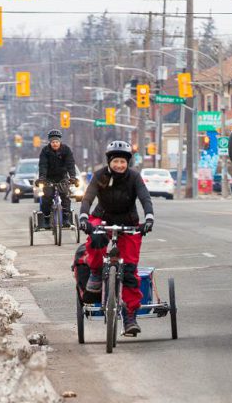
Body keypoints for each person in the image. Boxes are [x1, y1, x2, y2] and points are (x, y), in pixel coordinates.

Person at [78, 141, 154, 336]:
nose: (119, 165)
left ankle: (130, 317)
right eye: (116, 161)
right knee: (95, 241)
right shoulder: (100, 176)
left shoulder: (134, 177)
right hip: (102, 217)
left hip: (129, 221)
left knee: (129, 271)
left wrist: (149, 218)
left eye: (123, 161)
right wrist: (84, 217)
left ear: (128, 162)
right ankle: (95, 273)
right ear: (110, 161)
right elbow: (88, 197)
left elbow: (145, 197)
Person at [37, 129, 78, 228]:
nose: (55, 144)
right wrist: (42, 177)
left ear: (60, 141)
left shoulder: (66, 150)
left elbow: (70, 164)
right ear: (50, 142)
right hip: (48, 178)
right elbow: (43, 165)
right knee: (47, 197)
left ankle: (66, 218)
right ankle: (46, 219)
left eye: (56, 142)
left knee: (65, 196)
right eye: (53, 142)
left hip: (62, 177)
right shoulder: (45, 151)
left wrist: (72, 177)